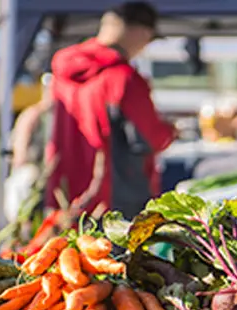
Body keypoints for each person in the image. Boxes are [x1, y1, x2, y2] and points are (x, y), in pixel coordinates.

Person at [46, 1, 176, 216]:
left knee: (66, 249)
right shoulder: (124, 78)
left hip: (64, 193)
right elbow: (149, 137)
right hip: (113, 200)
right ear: (142, 32)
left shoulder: (63, 70)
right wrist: (171, 131)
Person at [4, 73, 54, 222]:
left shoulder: (58, 116)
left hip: (48, 178)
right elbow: (21, 148)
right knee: (25, 217)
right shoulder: (34, 114)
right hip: (33, 176)